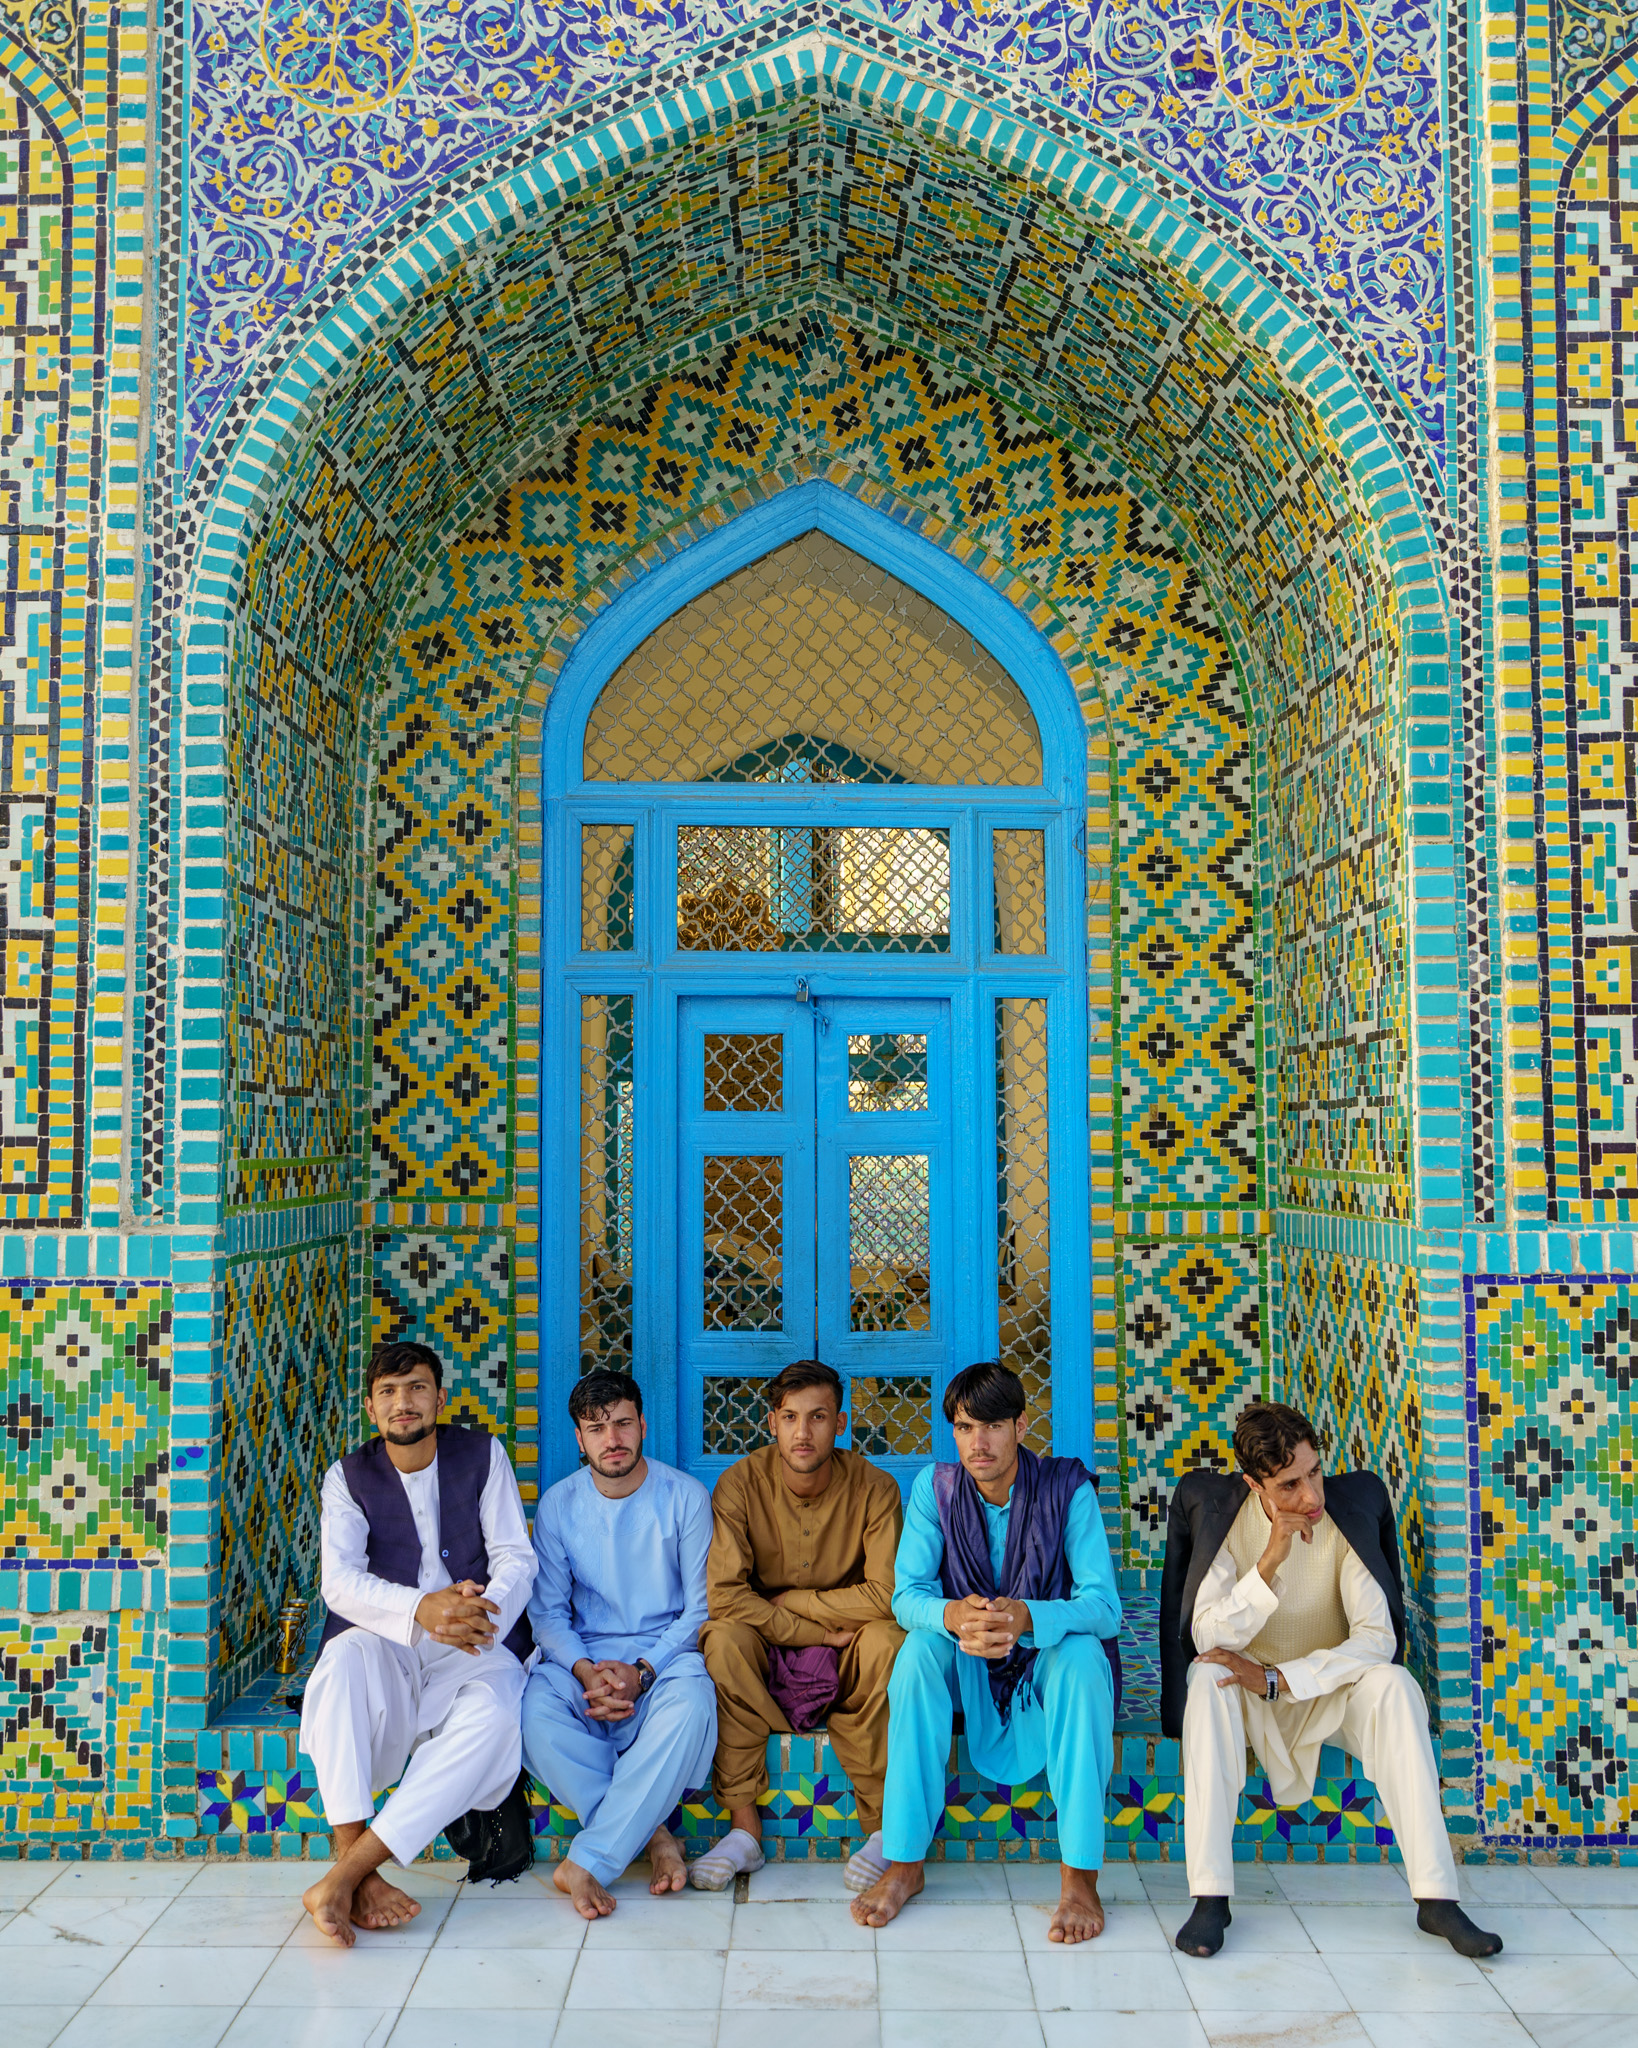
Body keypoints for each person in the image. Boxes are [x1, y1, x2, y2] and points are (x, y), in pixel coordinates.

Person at [1161, 1398, 1502, 1960]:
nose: (1312, 1496)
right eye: (1290, 1485)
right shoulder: (1222, 1516)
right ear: (1254, 1484)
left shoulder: (1347, 1512)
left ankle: (1436, 1899)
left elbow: (1376, 1639)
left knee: (1395, 1686)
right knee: (1207, 1683)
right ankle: (1210, 1896)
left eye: (1314, 1472)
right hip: (1247, 1704)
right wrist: (1267, 1562)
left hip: (1322, 1693)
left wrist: (1280, 1678)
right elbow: (1207, 1637)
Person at [851, 1361, 1122, 1942]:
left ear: (1022, 1425)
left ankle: (1080, 1877)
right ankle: (904, 1863)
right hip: (970, 1653)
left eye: (993, 1425)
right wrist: (952, 1616)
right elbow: (907, 1596)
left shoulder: (1066, 1489)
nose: (979, 1442)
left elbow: (1105, 1608)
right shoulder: (935, 1489)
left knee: (1080, 1662)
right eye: (964, 1427)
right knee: (918, 1655)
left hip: (1044, 1653)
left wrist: (1030, 1616)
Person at [299, 1340, 536, 1946]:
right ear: (371, 1410)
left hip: (476, 1640)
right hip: (392, 1638)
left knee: (494, 1720)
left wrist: (480, 1613)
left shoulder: (483, 1454)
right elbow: (340, 1582)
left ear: (440, 1398)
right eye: (388, 1392)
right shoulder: (346, 1477)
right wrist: (422, 1609)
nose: (403, 1402)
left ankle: (345, 1873)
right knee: (338, 1666)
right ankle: (360, 1867)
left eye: (417, 1388)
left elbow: (513, 1554)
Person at [689, 1359, 905, 1893]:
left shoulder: (876, 1489)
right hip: (771, 1646)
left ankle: (880, 1830)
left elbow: (887, 1596)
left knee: (888, 1641)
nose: (803, 1433)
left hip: (849, 1646)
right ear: (771, 1423)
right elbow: (725, 1597)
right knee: (722, 1641)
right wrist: (811, 1629)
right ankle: (745, 1832)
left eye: (818, 1417)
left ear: (843, 1422)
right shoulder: (740, 1484)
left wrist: (799, 1600)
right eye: (790, 1418)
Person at [522, 1369, 717, 1919]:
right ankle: (654, 1836)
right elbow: (548, 1613)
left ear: (643, 1426)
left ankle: (588, 1859)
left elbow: (699, 1609)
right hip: (583, 1655)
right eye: (597, 1428)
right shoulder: (559, 1506)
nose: (613, 1439)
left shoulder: (685, 1497)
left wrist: (643, 1669)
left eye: (623, 1424)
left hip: (666, 1654)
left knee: (694, 1705)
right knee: (534, 1713)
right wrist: (586, 1671)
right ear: (579, 1438)